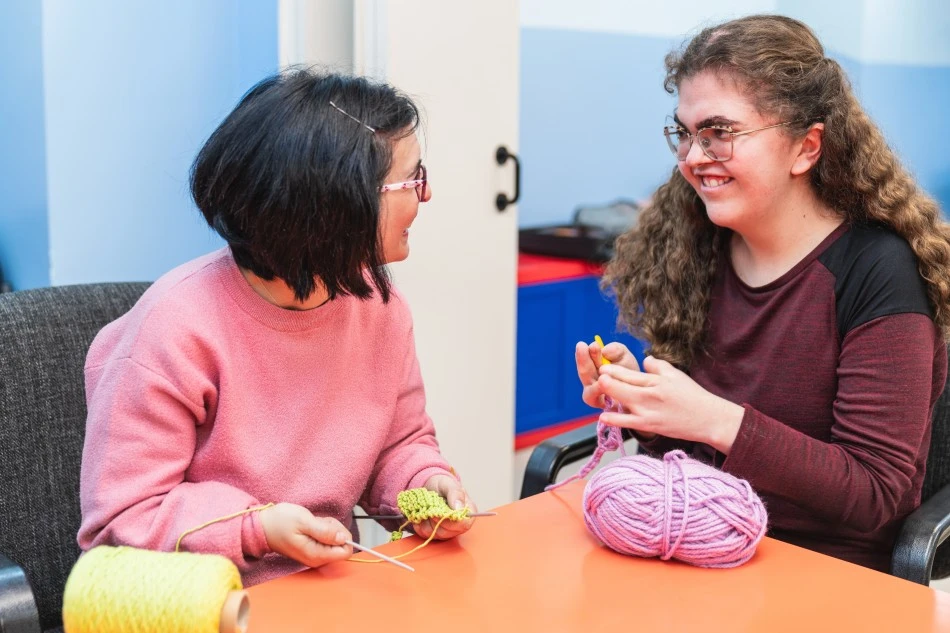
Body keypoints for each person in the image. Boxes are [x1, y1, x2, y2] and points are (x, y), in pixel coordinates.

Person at [575, 14, 950, 572]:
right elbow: (698, 458)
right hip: (702, 541)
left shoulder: (878, 269)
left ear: (806, 147)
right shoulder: (699, 249)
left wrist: (713, 418)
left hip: (823, 572)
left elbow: (877, 495)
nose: (693, 157)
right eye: (686, 132)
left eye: (720, 132)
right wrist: (650, 408)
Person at [78, 69, 476, 586]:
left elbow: (396, 447)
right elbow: (121, 521)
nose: (425, 197)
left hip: (327, 592)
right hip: (212, 604)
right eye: (411, 180)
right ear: (333, 202)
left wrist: (424, 485)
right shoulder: (174, 328)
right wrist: (258, 529)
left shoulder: (381, 307)